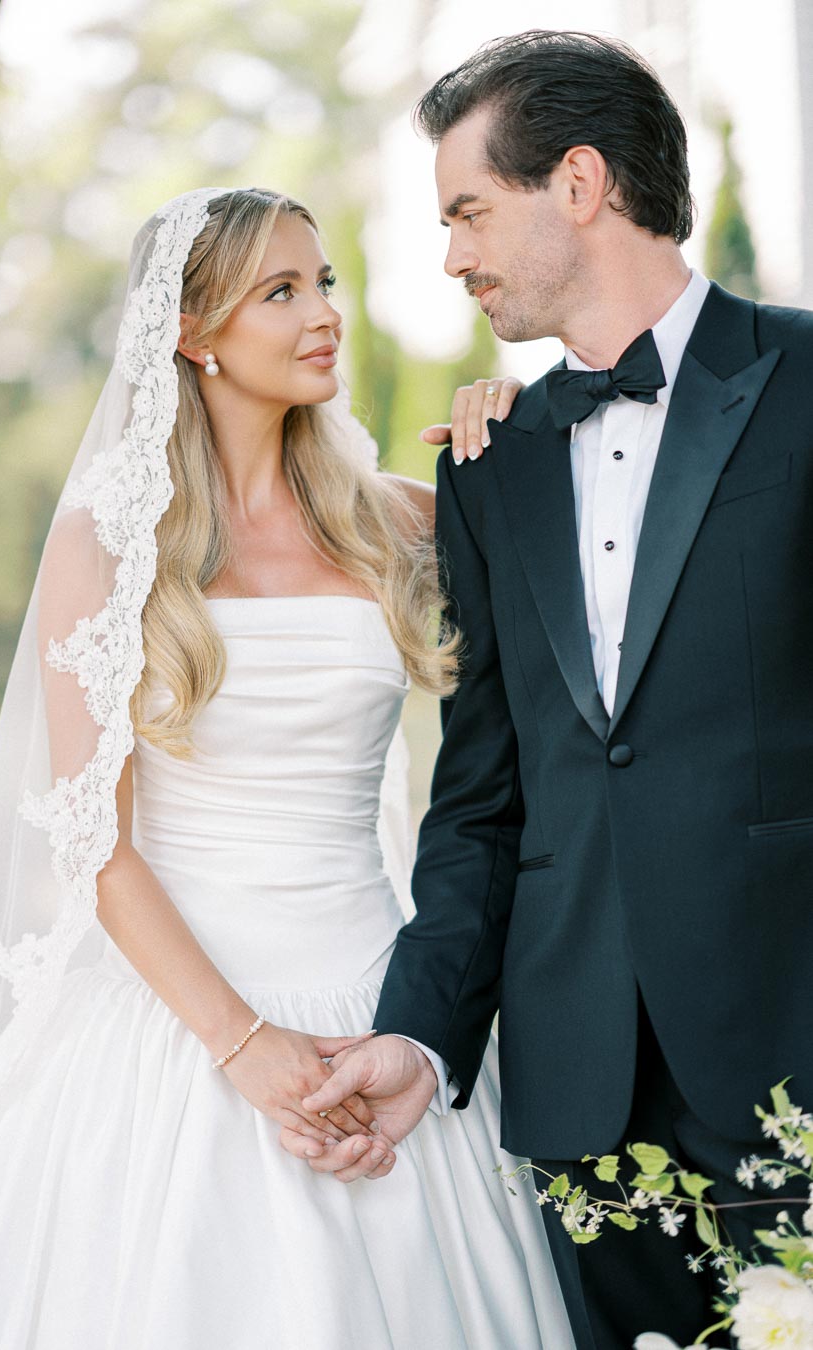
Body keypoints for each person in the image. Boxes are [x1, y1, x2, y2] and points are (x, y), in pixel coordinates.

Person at [0, 185, 573, 1349]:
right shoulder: (109, 552)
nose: (322, 312)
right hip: (180, 1017)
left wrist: (520, 444)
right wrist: (245, 1048)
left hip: (383, 1005)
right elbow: (98, 852)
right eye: (281, 290)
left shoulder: (407, 524)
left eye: (322, 281)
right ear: (191, 331)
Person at [285, 30, 813, 1350]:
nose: (453, 254)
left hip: (792, 1054)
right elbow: (481, 796)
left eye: (467, 210)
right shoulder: (488, 462)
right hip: (579, 1095)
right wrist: (419, 1030)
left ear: (578, 182)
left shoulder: (807, 382)